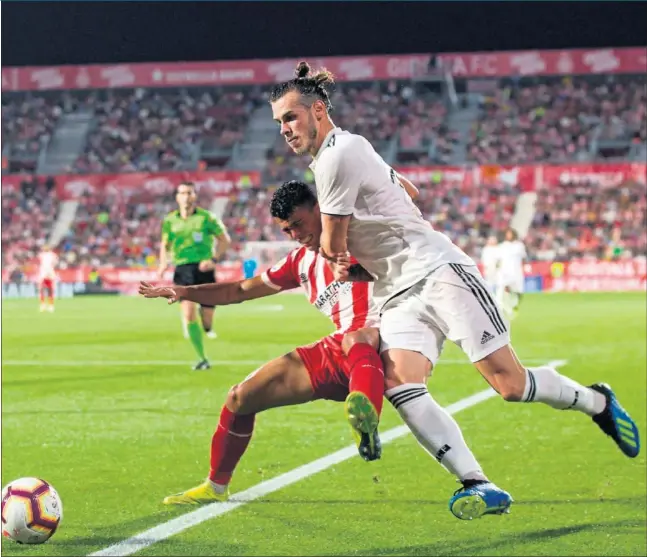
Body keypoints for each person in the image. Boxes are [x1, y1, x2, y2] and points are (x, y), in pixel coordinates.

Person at [268, 61, 640, 520]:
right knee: (401, 384)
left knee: (509, 384)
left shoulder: (336, 156)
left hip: (439, 271)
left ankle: (597, 401)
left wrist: (343, 257)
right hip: (397, 292)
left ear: (318, 109)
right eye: (279, 122)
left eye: (290, 117)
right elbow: (411, 190)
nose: (284, 129)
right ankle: (479, 484)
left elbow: (332, 244)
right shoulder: (347, 151)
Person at [139, 181, 388, 504]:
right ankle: (215, 487)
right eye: (287, 230)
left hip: (386, 342)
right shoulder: (300, 262)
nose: (296, 235)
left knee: (358, 336)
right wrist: (185, 291)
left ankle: (366, 422)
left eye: (299, 224)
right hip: (341, 349)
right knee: (240, 398)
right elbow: (240, 290)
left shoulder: (360, 236)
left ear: (319, 210)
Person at [158, 182, 232, 370]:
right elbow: (164, 245)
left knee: (207, 320)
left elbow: (225, 240)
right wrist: (163, 263)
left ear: (194, 196)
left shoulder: (207, 218)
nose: (185, 196)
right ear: (177, 197)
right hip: (182, 270)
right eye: (182, 193)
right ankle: (202, 358)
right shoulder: (170, 221)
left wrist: (214, 260)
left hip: (204, 270)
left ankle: (206, 324)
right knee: (189, 315)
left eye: (189, 193)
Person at [495, 228, 527, 319]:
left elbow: (524, 258)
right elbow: (498, 259)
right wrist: (497, 269)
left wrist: (525, 267)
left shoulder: (519, 246)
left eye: (510, 233)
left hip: (516, 272)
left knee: (518, 292)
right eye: (507, 234)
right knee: (500, 289)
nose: (508, 235)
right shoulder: (502, 246)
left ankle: (513, 306)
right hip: (504, 272)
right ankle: (500, 309)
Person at [37, 244, 58, 313]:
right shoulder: (41, 255)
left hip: (49, 273)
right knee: (42, 290)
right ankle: (43, 305)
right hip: (43, 273)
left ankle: (50, 305)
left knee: (50, 290)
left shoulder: (52, 255)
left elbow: (55, 263)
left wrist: (50, 270)